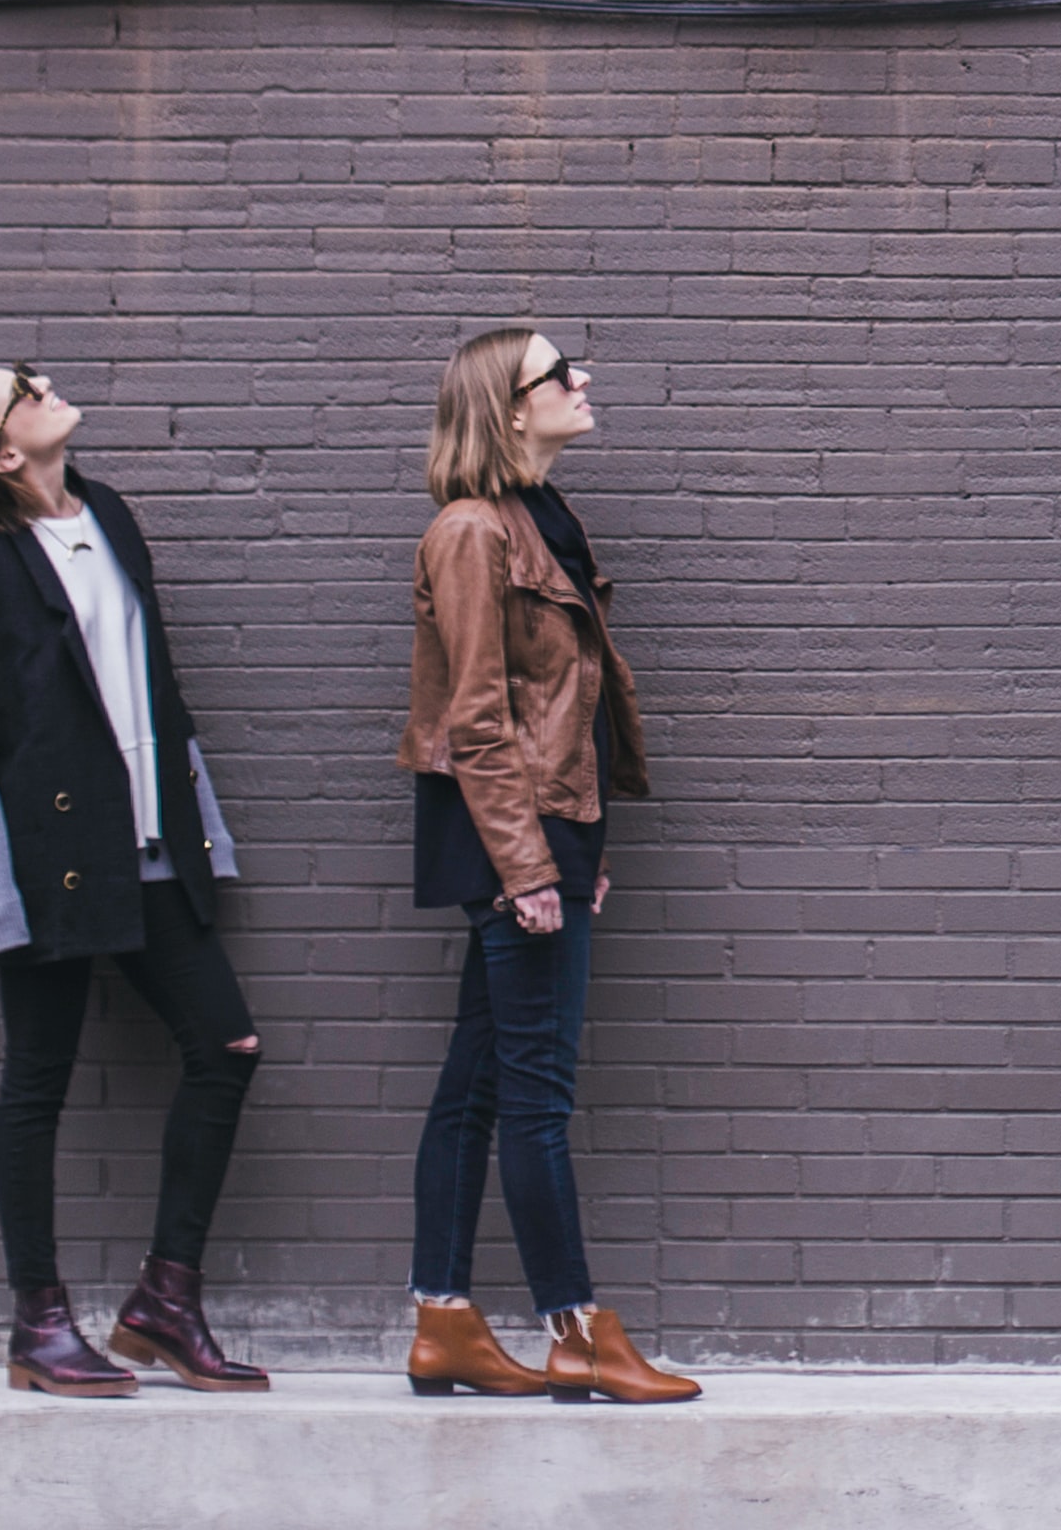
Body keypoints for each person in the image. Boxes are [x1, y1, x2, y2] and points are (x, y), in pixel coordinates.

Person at [0, 359, 270, 1397]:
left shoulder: (108, 514)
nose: (45, 382)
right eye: (22, 388)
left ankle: (164, 1302)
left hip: (153, 848)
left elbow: (157, 685)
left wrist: (206, 830)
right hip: (47, 865)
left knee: (227, 1046)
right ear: (3, 452)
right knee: (38, 1083)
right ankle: (39, 1323)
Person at [398, 323, 697, 1406]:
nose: (585, 378)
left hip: (540, 831)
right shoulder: (473, 533)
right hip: (508, 839)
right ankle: (576, 1329)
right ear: (508, 406)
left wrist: (580, 845)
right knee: (537, 1095)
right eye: (559, 372)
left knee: (477, 1087)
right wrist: (531, 865)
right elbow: (477, 720)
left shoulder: (539, 517)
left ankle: (442, 1321)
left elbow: (563, 713)